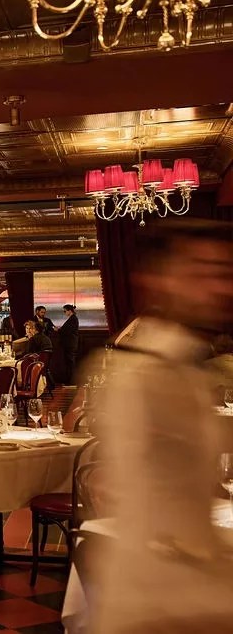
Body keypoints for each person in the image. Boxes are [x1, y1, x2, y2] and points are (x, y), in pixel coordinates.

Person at [86, 219, 233, 633]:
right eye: (202, 273)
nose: (221, 288)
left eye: (225, 273)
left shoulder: (188, 365)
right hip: (157, 605)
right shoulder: (144, 372)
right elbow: (162, 515)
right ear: (158, 281)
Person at [57, 304, 80, 384]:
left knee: (70, 363)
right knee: (69, 362)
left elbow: (67, 331)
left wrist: (58, 330)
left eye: (65, 311)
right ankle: (70, 380)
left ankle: (71, 381)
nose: (64, 313)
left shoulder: (73, 319)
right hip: (70, 344)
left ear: (69, 311)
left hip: (70, 344)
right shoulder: (73, 319)